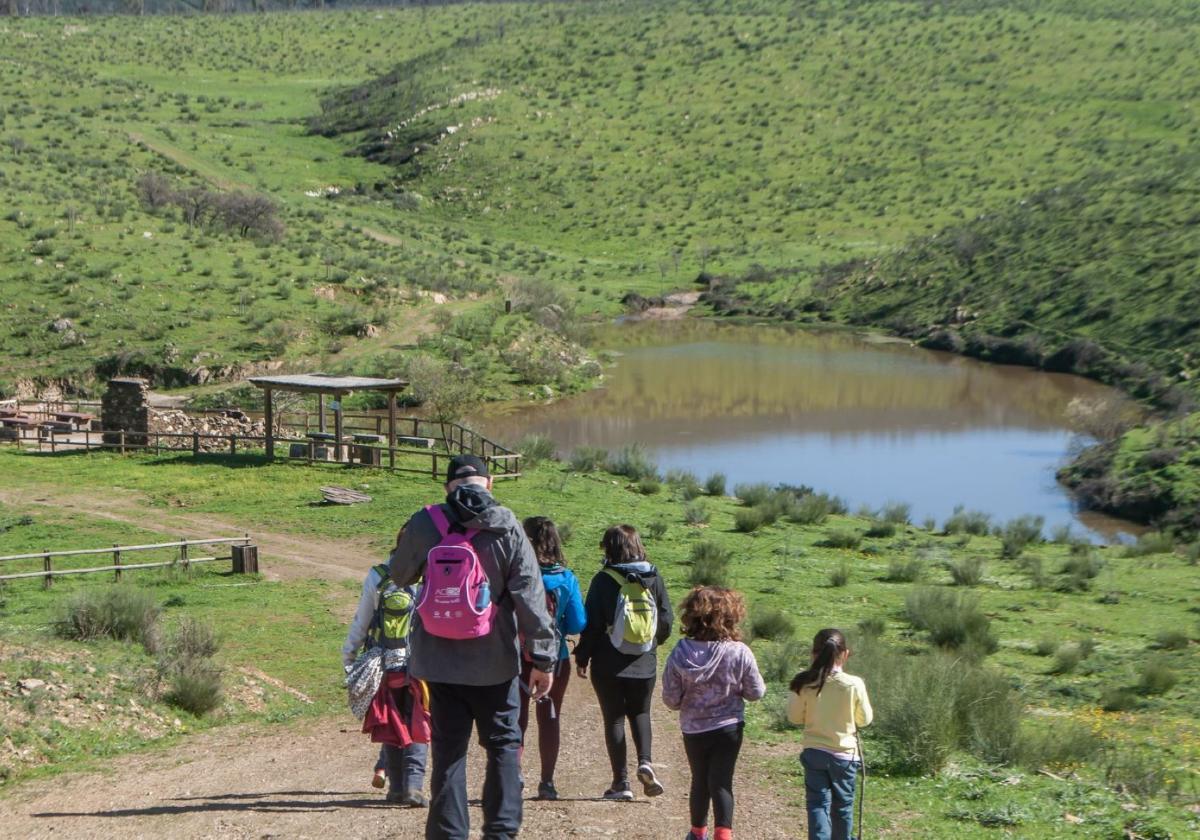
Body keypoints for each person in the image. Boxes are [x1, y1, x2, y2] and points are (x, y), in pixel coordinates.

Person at [390, 454, 558, 840]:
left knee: (449, 751)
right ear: (490, 482)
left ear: (448, 486)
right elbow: (530, 598)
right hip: (495, 664)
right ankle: (500, 831)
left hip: (438, 662)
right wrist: (543, 659)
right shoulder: (508, 525)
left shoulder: (425, 521)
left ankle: (449, 833)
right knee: (502, 744)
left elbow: (399, 574)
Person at [575, 524, 673, 801]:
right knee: (641, 713)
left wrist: (583, 657)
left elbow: (592, 625)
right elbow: (666, 620)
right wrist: (651, 645)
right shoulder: (654, 577)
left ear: (609, 547)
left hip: (608, 663)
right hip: (645, 661)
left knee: (614, 718)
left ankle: (621, 783)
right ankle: (645, 761)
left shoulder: (602, 580)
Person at [662, 587, 766, 840]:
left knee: (699, 779)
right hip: (729, 728)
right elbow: (756, 692)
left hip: (694, 729)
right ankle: (724, 834)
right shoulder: (739, 651)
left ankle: (697, 833)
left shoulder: (680, 651)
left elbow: (671, 699)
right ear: (732, 616)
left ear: (691, 615)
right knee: (721, 781)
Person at [342, 527, 429, 807]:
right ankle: (414, 787)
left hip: (383, 664)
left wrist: (349, 656)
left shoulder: (377, 577)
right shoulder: (428, 578)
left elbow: (361, 621)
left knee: (392, 722)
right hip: (421, 665)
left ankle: (396, 788)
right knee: (418, 722)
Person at [518, 516, 587, 802]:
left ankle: (513, 776)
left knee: (515, 717)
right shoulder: (566, 578)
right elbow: (577, 624)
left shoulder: (518, 573)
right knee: (549, 717)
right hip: (555, 658)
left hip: (518, 656)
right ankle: (546, 782)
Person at [787, 629, 873, 840]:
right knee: (843, 807)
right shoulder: (854, 684)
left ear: (813, 653)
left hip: (815, 752)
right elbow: (865, 719)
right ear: (844, 654)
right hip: (844, 756)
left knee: (817, 804)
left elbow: (794, 717)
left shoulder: (804, 682)